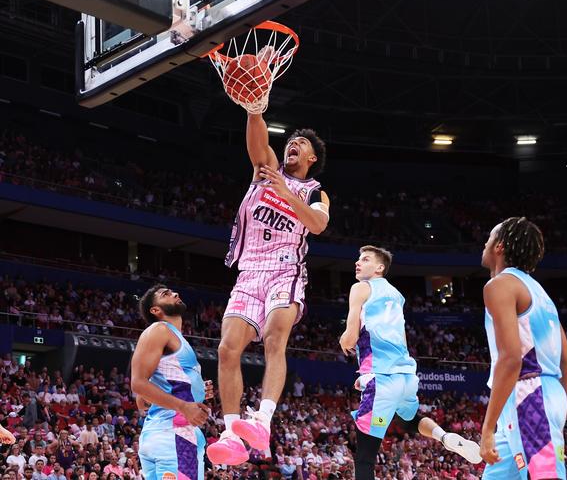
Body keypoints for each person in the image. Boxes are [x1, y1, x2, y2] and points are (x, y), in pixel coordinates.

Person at [208, 111, 329, 466]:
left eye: (302, 143)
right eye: (291, 139)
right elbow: (258, 143)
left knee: (276, 340)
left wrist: (285, 194)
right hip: (249, 273)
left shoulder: (315, 191)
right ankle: (231, 434)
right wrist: (253, 108)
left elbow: (318, 224)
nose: (294, 143)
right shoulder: (269, 169)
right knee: (227, 350)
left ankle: (261, 420)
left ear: (312, 159)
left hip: (284, 270)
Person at [338, 245, 482, 480]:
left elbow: (351, 335)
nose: (358, 262)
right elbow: (402, 339)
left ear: (379, 268)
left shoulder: (360, 288)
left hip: (381, 378)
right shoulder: (397, 295)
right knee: (408, 421)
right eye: (358, 259)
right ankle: (444, 437)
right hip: (405, 376)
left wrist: (344, 340)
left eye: (365, 259)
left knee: (364, 458)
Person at [479, 217, 567, 479]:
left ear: (499, 246)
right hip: (547, 395)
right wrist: (556, 416)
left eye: (489, 238)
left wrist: (487, 428)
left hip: (528, 395)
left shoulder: (499, 285)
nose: (484, 243)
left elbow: (511, 359)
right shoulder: (541, 294)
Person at [131, 284, 211, 480]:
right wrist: (184, 405)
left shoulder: (174, 337)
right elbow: (138, 384)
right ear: (155, 310)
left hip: (161, 433)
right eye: (166, 294)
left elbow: (142, 398)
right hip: (175, 434)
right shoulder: (160, 330)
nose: (175, 293)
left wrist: (197, 390)